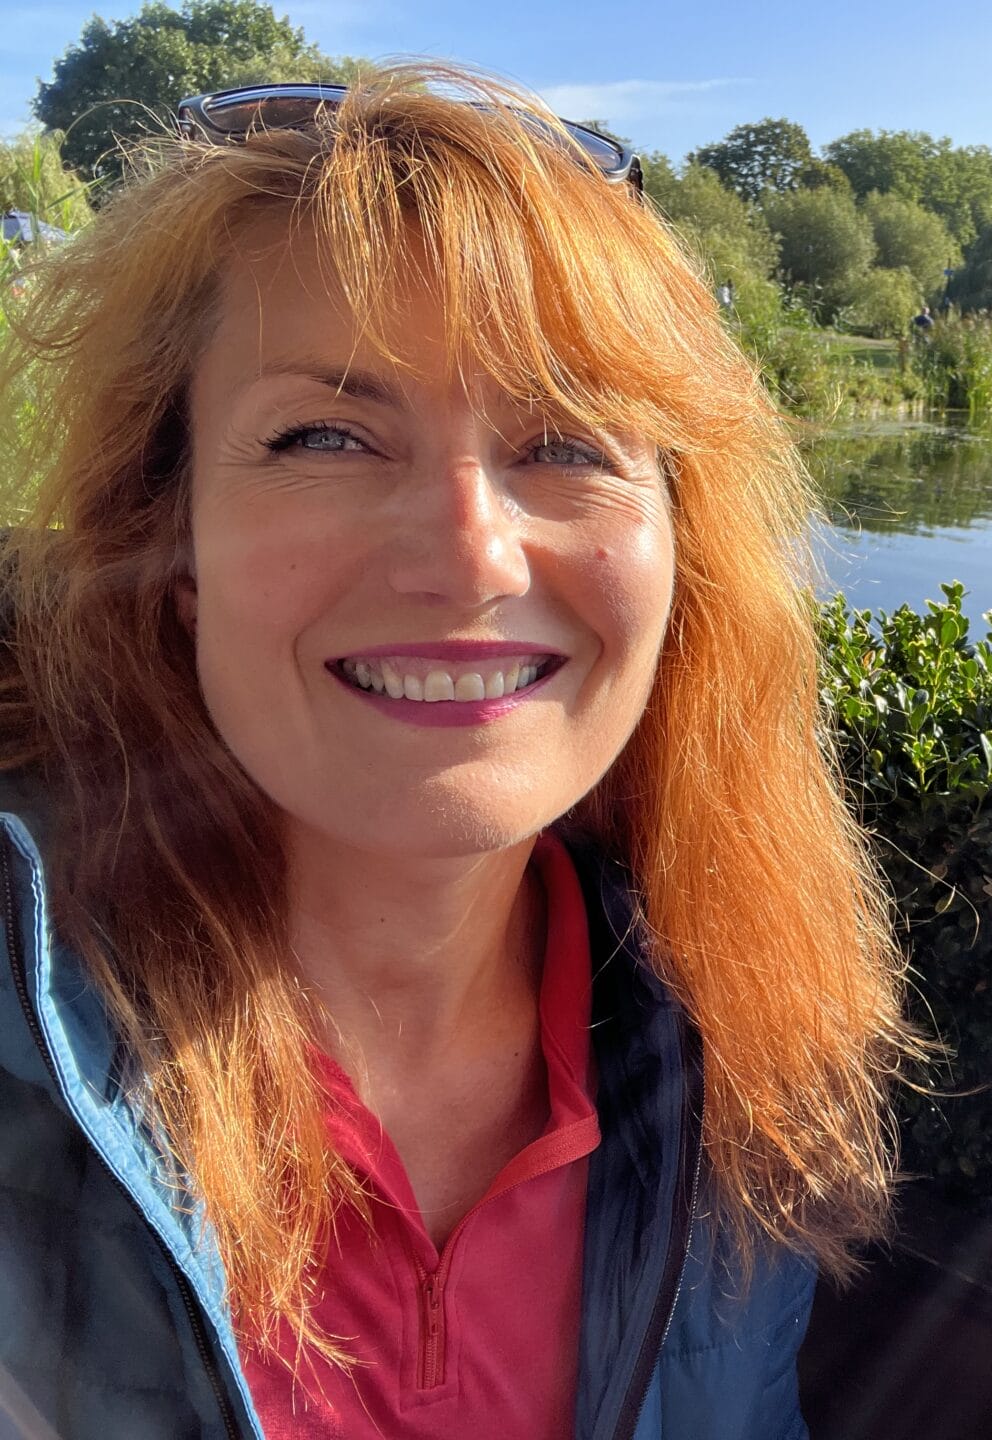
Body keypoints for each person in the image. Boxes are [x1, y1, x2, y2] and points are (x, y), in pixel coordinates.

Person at [0, 64, 923, 1440]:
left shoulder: (730, 1053)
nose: (469, 557)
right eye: (324, 435)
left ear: (681, 552)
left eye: (565, 441)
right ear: (172, 544)